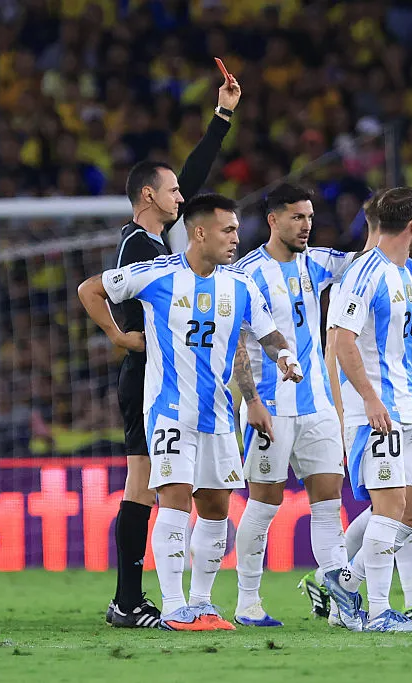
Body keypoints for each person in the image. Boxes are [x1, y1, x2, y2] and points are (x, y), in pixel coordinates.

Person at [78, 194, 303, 631]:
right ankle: (173, 606)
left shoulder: (239, 285)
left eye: (237, 230)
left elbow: (267, 332)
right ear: (199, 232)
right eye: (228, 230)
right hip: (169, 411)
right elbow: (91, 288)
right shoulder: (156, 274)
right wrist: (118, 336)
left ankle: (202, 603)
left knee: (216, 505)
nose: (236, 239)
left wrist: (285, 358)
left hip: (218, 414)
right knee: (175, 501)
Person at [106, 69, 240, 628]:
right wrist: (121, 335)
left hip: (164, 374)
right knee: (146, 483)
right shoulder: (140, 244)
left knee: (148, 482)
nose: (183, 198)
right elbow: (106, 293)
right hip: (151, 376)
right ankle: (128, 598)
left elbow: (192, 176)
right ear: (148, 197)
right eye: (174, 194)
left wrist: (222, 118)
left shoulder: (154, 241)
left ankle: (130, 597)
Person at [300, 191, 412, 623]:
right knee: (389, 507)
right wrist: (368, 398)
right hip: (378, 410)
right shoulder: (364, 272)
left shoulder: (409, 274)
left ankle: (344, 582)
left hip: (411, 409)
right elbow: (341, 340)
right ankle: (379, 611)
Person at [229, 183, 355, 627]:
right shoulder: (246, 275)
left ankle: (341, 601)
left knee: (327, 503)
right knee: (263, 503)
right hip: (271, 407)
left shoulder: (317, 262)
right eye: (297, 217)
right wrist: (252, 402)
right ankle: (248, 602)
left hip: (318, 403)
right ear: (273, 220)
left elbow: (366, 265)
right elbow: (239, 347)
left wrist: (403, 234)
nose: (306, 225)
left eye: (309, 216)